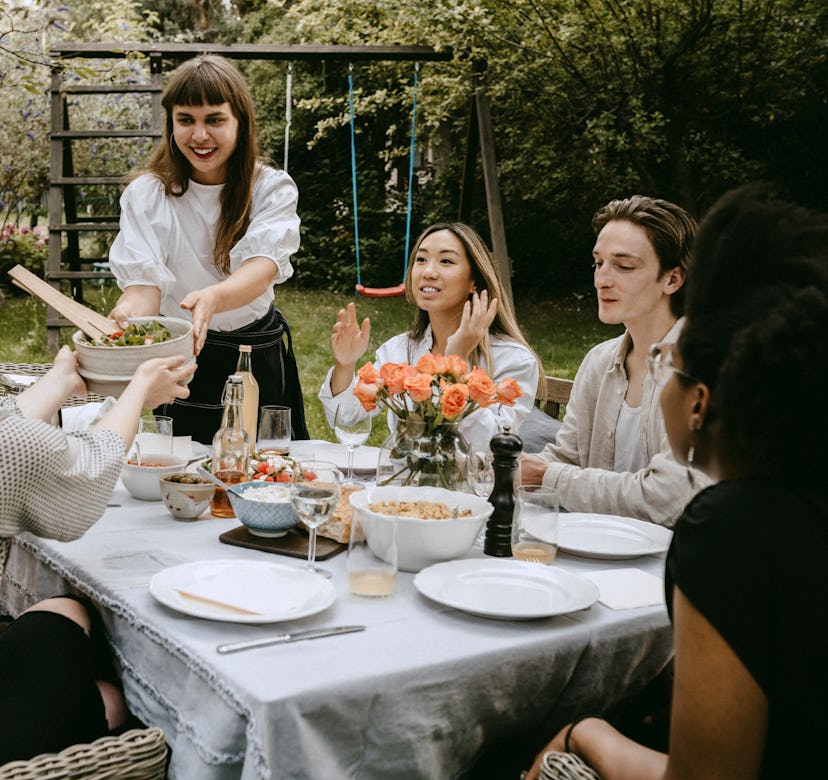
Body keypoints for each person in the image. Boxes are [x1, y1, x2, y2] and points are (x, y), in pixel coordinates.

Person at [525, 185, 828, 779]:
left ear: (698, 403)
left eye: (671, 367)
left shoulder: (727, 530)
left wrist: (585, 733)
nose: (603, 277)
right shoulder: (795, 504)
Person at [0, 346, 195, 763]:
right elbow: (88, 468)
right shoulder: (11, 452)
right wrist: (139, 389)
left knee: (66, 608)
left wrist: (62, 380)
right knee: (126, 701)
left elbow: (6, 427)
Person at [106, 54, 308, 444]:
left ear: (240, 122)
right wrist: (128, 317)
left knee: (261, 473)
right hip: (181, 356)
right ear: (171, 124)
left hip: (253, 355)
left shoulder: (270, 187)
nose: (199, 136)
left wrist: (214, 297)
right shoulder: (146, 194)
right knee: (174, 472)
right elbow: (145, 286)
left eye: (214, 120)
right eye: (186, 120)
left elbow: (262, 266)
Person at [520, 195, 707, 526]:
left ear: (673, 279)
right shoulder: (600, 360)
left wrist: (548, 476)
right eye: (598, 263)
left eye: (624, 266)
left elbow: (669, 498)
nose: (601, 279)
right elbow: (566, 459)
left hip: (683, 563)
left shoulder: (701, 368)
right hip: (597, 548)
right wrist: (502, 468)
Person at [318, 222, 542, 454]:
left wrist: (457, 361)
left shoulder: (513, 360)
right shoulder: (399, 350)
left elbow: (490, 447)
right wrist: (345, 365)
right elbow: (346, 419)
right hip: (403, 486)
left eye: (446, 261)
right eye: (421, 260)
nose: (428, 272)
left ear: (474, 281)